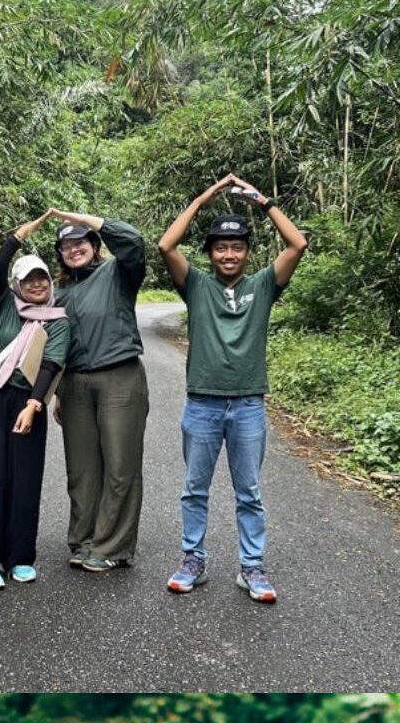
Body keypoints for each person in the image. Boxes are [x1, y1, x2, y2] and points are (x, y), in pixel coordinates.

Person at [156, 173, 307, 601]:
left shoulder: (262, 286)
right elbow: (166, 246)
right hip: (202, 403)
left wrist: (263, 202)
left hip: (247, 405)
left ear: (246, 252)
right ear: (209, 253)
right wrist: (204, 197)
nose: (228, 254)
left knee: (250, 492)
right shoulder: (197, 286)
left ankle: (252, 568)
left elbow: (297, 245)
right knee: (194, 489)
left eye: (236, 247)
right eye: (220, 247)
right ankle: (193, 561)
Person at [0, 211, 72, 590]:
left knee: (25, 478)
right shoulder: (4, 305)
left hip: (30, 401)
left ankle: (21, 557)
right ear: (17, 284)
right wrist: (19, 237)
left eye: (42, 277)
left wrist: (33, 404)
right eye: (29, 279)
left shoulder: (58, 319)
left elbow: (52, 363)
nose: (37, 284)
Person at [49, 207, 150, 571]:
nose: (74, 249)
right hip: (75, 383)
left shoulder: (118, 272)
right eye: (66, 246)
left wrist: (81, 217)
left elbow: (134, 241)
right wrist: (57, 391)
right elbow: (54, 345)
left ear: (94, 244)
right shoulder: (59, 293)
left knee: (120, 464)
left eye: (81, 242)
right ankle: (84, 538)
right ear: (59, 254)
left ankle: (112, 546)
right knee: (82, 469)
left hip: (119, 377)